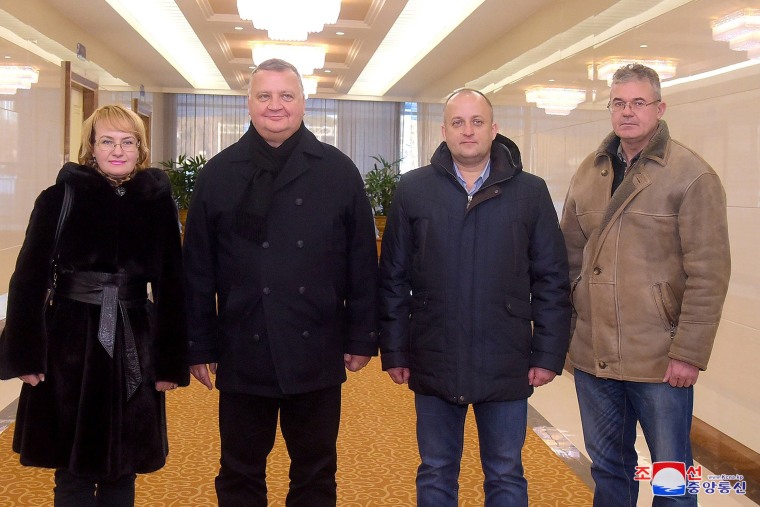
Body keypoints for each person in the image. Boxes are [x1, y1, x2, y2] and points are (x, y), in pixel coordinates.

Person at [183, 58, 379, 506]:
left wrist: (362, 337)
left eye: (286, 96)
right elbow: (197, 269)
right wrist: (199, 345)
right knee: (238, 472)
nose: (276, 106)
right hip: (241, 344)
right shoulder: (217, 174)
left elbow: (362, 263)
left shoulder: (338, 171)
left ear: (303, 104)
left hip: (317, 344)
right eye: (265, 96)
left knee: (315, 473)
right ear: (248, 104)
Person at [379, 88, 571, 506]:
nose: (468, 131)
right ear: (444, 130)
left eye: (477, 121)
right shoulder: (413, 189)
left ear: (494, 129)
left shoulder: (531, 192)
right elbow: (392, 277)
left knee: (505, 473)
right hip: (433, 353)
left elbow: (553, 279)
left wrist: (548, 354)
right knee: (435, 472)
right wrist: (394, 350)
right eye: (458, 123)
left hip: (505, 357)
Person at [0, 104, 189, 506]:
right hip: (69, 341)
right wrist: (25, 354)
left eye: (128, 141)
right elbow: (28, 278)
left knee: (125, 464)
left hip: (134, 341)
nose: (117, 150)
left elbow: (173, 285)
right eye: (107, 141)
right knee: (70, 469)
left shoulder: (156, 204)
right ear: (91, 147)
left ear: (140, 149)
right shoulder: (59, 199)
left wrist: (170, 363)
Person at [560, 64, 731, 506]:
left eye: (639, 103)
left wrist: (688, 353)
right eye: (619, 103)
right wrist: (566, 338)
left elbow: (709, 272)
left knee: (671, 480)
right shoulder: (588, 173)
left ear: (660, 108)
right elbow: (568, 261)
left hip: (659, 359)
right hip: (595, 358)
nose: (628, 112)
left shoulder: (691, 175)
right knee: (609, 472)